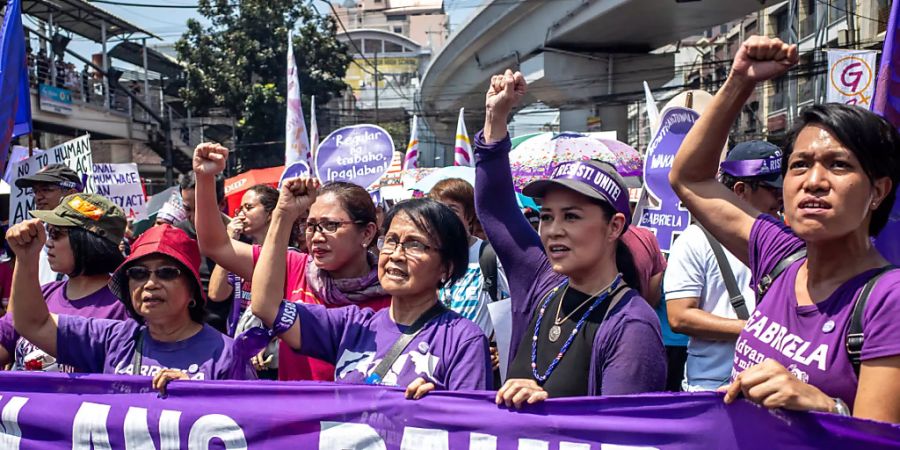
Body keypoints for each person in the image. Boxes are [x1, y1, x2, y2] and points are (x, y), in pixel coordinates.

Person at [669, 35, 900, 423]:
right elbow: (690, 178)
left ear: (877, 191)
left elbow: (878, 438)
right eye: (800, 165)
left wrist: (826, 406)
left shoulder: (887, 301)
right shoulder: (779, 257)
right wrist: (740, 81)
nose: (814, 181)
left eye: (839, 165)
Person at [475, 70, 666, 408]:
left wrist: (547, 415)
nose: (553, 230)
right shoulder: (541, 280)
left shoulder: (630, 325)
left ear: (614, 227)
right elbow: (496, 208)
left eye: (572, 216)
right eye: (547, 216)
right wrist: (496, 116)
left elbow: (620, 439)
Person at [250, 179, 490, 398]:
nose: (396, 254)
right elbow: (266, 306)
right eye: (392, 240)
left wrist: (437, 408)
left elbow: (471, 431)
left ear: (446, 267)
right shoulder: (350, 325)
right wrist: (283, 215)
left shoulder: (463, 340)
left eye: (414, 244)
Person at [192, 143, 391, 382]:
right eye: (311, 226)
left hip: (358, 418)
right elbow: (215, 245)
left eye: (331, 225)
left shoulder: (394, 291)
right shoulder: (293, 266)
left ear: (367, 233)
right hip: (296, 416)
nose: (317, 237)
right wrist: (204, 178)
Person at [7, 221, 255, 392]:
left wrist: (197, 397)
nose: (150, 284)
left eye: (167, 273)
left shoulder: (228, 356)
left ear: (192, 290)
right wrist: (26, 258)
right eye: (138, 273)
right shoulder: (111, 339)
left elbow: (249, 429)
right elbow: (33, 324)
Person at [666, 140, 784, 392]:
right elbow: (679, 315)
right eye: (772, 189)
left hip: (775, 385)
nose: (781, 197)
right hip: (712, 386)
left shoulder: (789, 236)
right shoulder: (694, 241)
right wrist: (754, 330)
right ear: (740, 190)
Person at [0, 194, 128, 371]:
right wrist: (24, 258)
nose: (48, 243)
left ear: (88, 240)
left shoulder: (125, 306)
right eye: (48, 232)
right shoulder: (43, 294)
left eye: (56, 234)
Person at [208, 184, 282, 378]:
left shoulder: (288, 257)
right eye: (239, 209)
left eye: (249, 208)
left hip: (268, 360)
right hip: (238, 355)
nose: (241, 214)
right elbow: (216, 294)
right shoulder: (240, 254)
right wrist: (230, 239)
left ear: (270, 214)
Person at [428, 178, 509, 337]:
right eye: (439, 210)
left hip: (477, 356)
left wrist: (500, 347)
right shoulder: (428, 258)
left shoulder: (491, 256)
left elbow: (515, 309)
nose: (445, 217)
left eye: (453, 209)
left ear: (469, 216)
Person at [174, 171, 231, 332]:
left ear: (221, 204)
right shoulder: (175, 236)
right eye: (187, 209)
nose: (193, 217)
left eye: (202, 209)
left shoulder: (242, 238)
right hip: (185, 334)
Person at [14, 164, 83, 286]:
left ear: (71, 194)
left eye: (46, 189)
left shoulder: (90, 238)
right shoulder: (33, 236)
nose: (38, 197)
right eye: (35, 191)